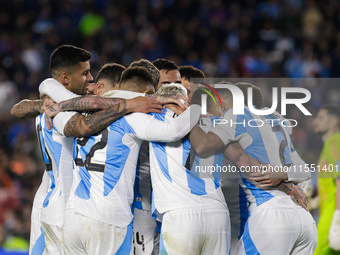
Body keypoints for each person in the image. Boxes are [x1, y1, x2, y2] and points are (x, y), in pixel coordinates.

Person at [11, 46, 164, 254]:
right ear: (65, 78)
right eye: (85, 74)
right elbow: (85, 123)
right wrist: (130, 104)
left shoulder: (53, 99)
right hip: (64, 210)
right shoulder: (63, 109)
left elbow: (18, 109)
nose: (90, 79)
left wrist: (42, 104)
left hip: (49, 201)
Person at [48, 67, 200, 254]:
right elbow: (172, 132)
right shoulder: (133, 117)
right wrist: (197, 108)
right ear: (144, 95)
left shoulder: (72, 114)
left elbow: (49, 89)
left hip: (73, 218)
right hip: (108, 219)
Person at [189, 84, 317, 254]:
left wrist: (185, 113)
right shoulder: (277, 119)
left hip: (270, 217)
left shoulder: (229, 118)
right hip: (304, 219)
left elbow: (204, 146)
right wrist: (286, 180)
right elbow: (304, 170)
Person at [313, 105, 340, 254]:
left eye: (320, 118)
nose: (315, 122)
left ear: (333, 122)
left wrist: (337, 219)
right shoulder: (330, 145)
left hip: (332, 218)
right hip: (328, 213)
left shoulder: (334, 142)